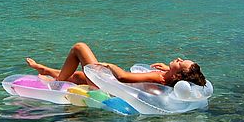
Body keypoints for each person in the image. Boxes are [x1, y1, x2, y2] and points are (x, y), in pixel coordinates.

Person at [25, 42, 207, 90]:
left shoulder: (157, 77)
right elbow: (173, 76)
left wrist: (109, 65)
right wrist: (169, 69)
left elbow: (123, 77)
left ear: (177, 76)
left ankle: (56, 83)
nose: (178, 58)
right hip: (108, 85)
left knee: (79, 48)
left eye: (180, 62)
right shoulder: (168, 77)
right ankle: (45, 70)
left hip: (107, 84)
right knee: (79, 77)